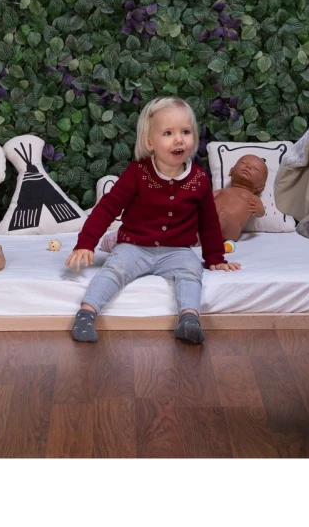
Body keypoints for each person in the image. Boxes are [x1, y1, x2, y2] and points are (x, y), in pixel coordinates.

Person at [65, 95, 239, 344]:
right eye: (168, 133)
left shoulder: (199, 179)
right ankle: (86, 314)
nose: (179, 139)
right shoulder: (138, 173)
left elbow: (208, 222)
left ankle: (189, 319)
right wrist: (86, 243)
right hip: (135, 245)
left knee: (191, 271)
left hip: (177, 250)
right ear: (150, 142)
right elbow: (107, 208)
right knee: (116, 268)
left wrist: (215, 259)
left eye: (186, 132)